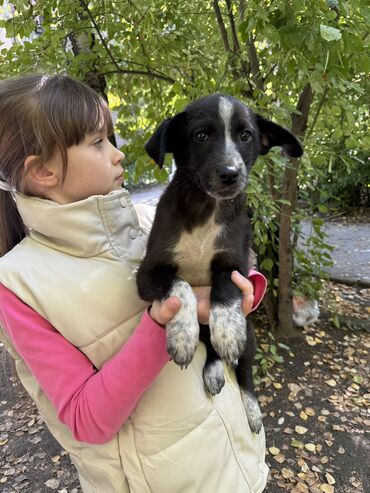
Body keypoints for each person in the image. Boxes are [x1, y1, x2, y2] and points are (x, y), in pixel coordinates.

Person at [0, 74, 269, 493]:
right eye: (98, 142)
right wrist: (165, 321)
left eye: (112, 138)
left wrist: (240, 286)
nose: (118, 153)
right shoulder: (18, 285)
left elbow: (212, 269)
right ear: (44, 171)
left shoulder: (141, 224)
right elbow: (86, 420)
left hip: (229, 461)